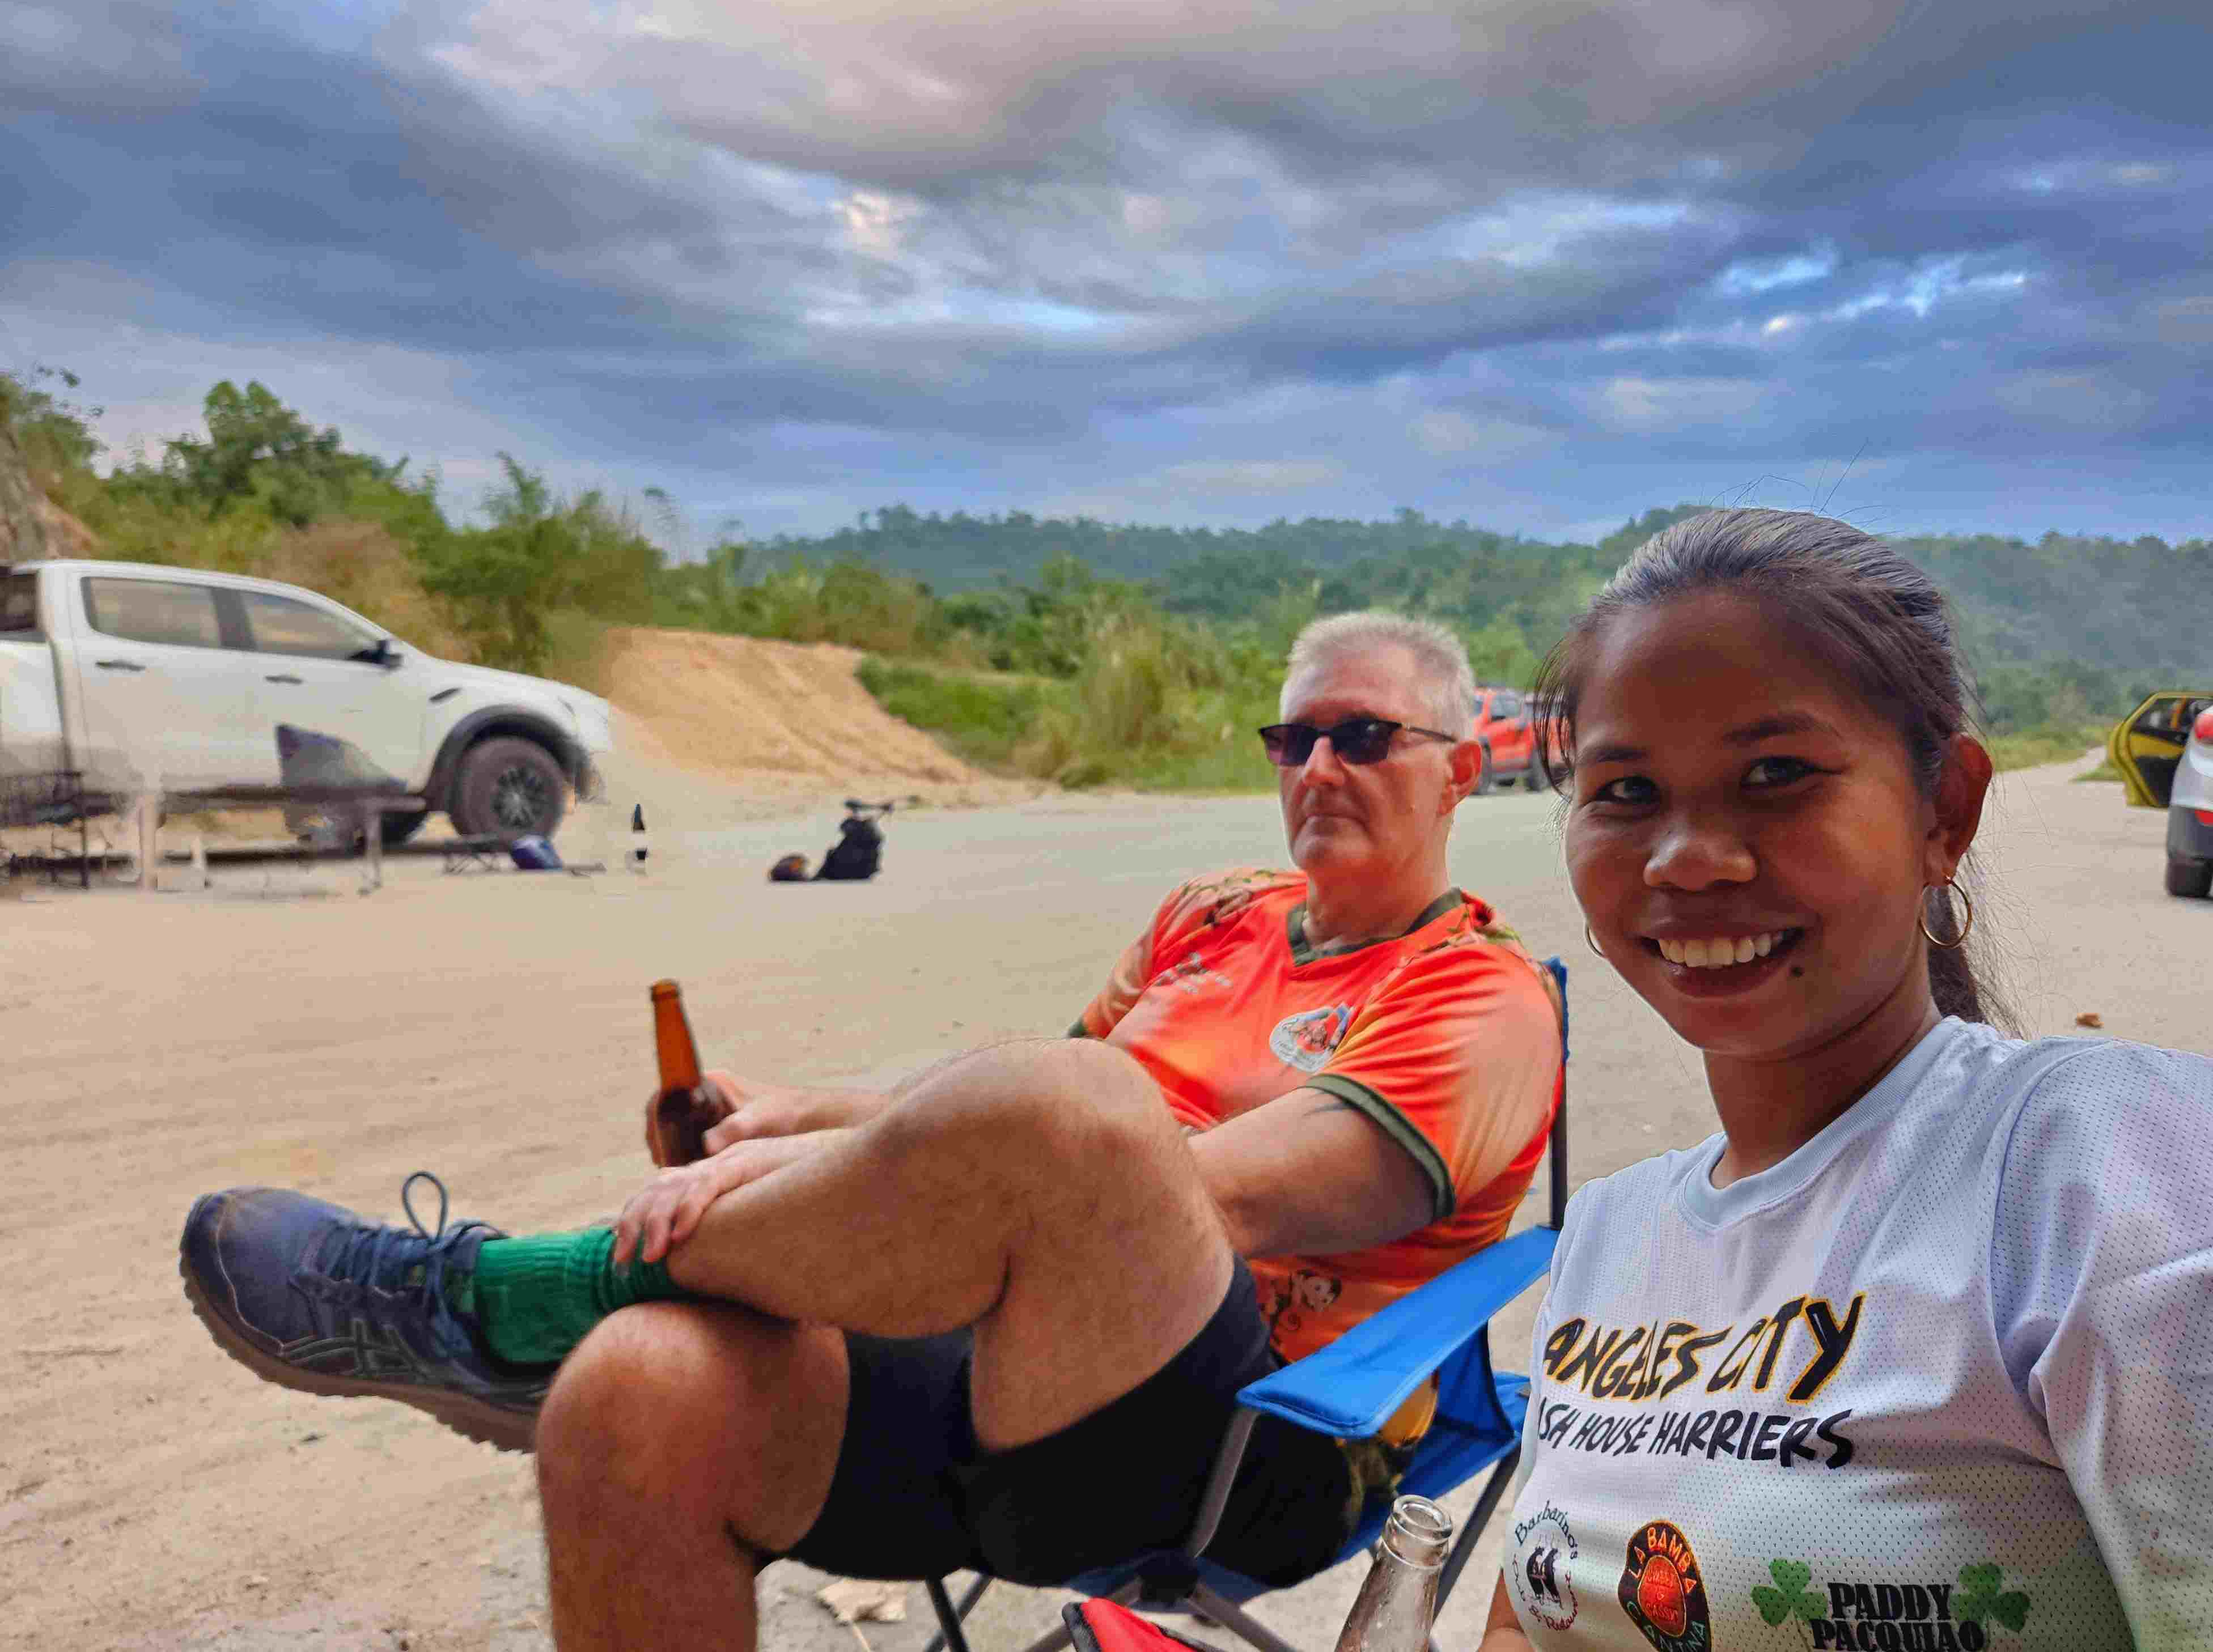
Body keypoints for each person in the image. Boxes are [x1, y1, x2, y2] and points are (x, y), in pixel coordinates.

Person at [179, 610, 1565, 1652]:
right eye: (1291, 738)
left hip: (1257, 1449)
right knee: (635, 1395)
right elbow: (996, 1143)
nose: (1318, 765)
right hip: (1015, 1379)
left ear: (1459, 771)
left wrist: (801, 1176)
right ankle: (561, 1325)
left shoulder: (1480, 996)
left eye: (1363, 737)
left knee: (1076, 1109)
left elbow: (1192, 1187)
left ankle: (492, 1300)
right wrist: (787, 1116)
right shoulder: (1216, 914)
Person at [1481, 509, 2212, 1652]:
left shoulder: (2095, 1172)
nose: (1688, 857)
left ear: (1945, 811)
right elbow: (1525, 1626)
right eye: (1624, 792)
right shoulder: (1612, 1234)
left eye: (1775, 775)